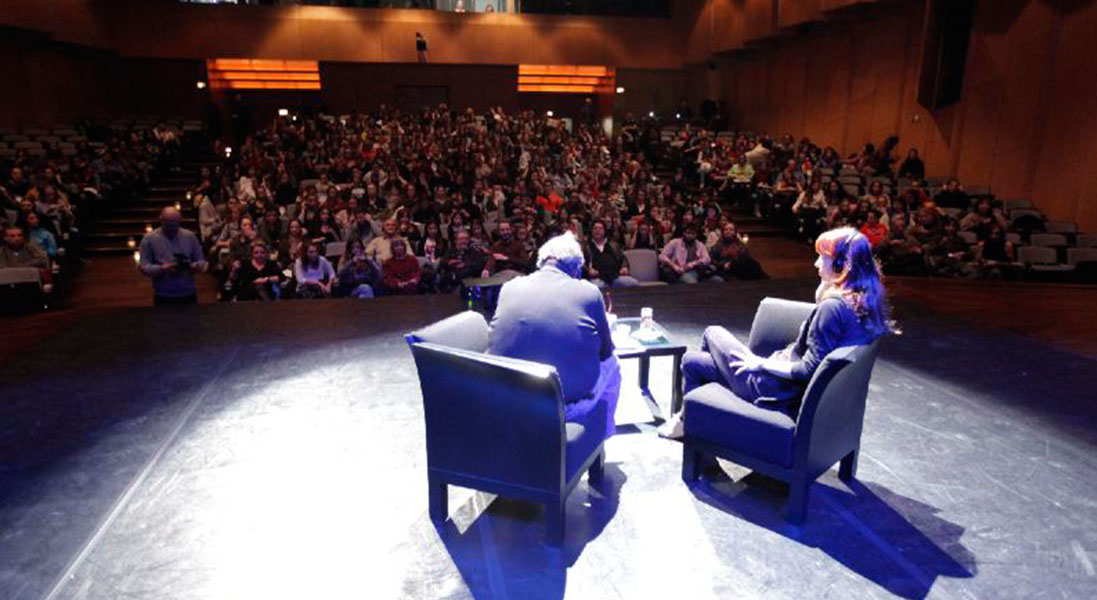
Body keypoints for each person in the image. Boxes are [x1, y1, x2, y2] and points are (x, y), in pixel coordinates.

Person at [660, 227, 889, 438]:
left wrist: (760, 364)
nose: (817, 264)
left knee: (712, 332)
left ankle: (699, 418)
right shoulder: (862, 301)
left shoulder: (832, 308)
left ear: (842, 264)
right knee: (692, 362)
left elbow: (807, 369)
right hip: (783, 386)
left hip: (771, 387)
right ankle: (693, 417)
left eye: (823, 258)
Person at [488, 232, 621, 439]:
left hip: (508, 398)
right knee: (614, 365)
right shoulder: (589, 292)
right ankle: (598, 440)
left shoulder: (509, 287)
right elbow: (605, 352)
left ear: (541, 262)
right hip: (564, 406)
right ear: (576, 268)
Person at [138, 207, 208, 305]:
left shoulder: (190, 237)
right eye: (169, 225)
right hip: (163, 293)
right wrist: (163, 268)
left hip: (188, 291)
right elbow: (143, 267)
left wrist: (195, 266)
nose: (173, 229)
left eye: (175, 224)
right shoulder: (149, 239)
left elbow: (201, 261)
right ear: (161, 220)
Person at [584, 220, 639, 288]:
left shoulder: (614, 245)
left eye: (600, 228)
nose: (598, 231)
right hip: (596, 278)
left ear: (604, 231)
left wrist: (624, 267)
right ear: (591, 231)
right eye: (595, 228)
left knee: (633, 283)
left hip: (615, 277)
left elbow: (623, 258)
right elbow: (581, 264)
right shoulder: (585, 247)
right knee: (597, 286)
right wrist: (588, 271)